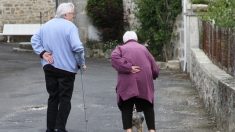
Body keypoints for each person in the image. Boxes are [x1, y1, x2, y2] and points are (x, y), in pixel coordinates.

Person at [31, 2, 86, 132]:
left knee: (53, 97)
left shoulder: (46, 25)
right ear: (66, 14)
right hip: (66, 69)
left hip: (49, 67)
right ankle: (60, 128)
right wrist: (81, 62)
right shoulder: (70, 26)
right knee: (65, 99)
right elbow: (78, 47)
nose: (73, 16)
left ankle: (50, 129)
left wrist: (43, 53)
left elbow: (34, 39)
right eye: (72, 14)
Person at [111, 31, 160, 132]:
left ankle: (129, 130)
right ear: (136, 39)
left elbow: (114, 57)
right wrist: (153, 75)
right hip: (144, 83)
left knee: (126, 107)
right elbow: (154, 67)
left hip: (127, 84)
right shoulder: (144, 49)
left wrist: (128, 67)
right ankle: (152, 130)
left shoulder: (121, 48)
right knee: (148, 106)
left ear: (124, 40)